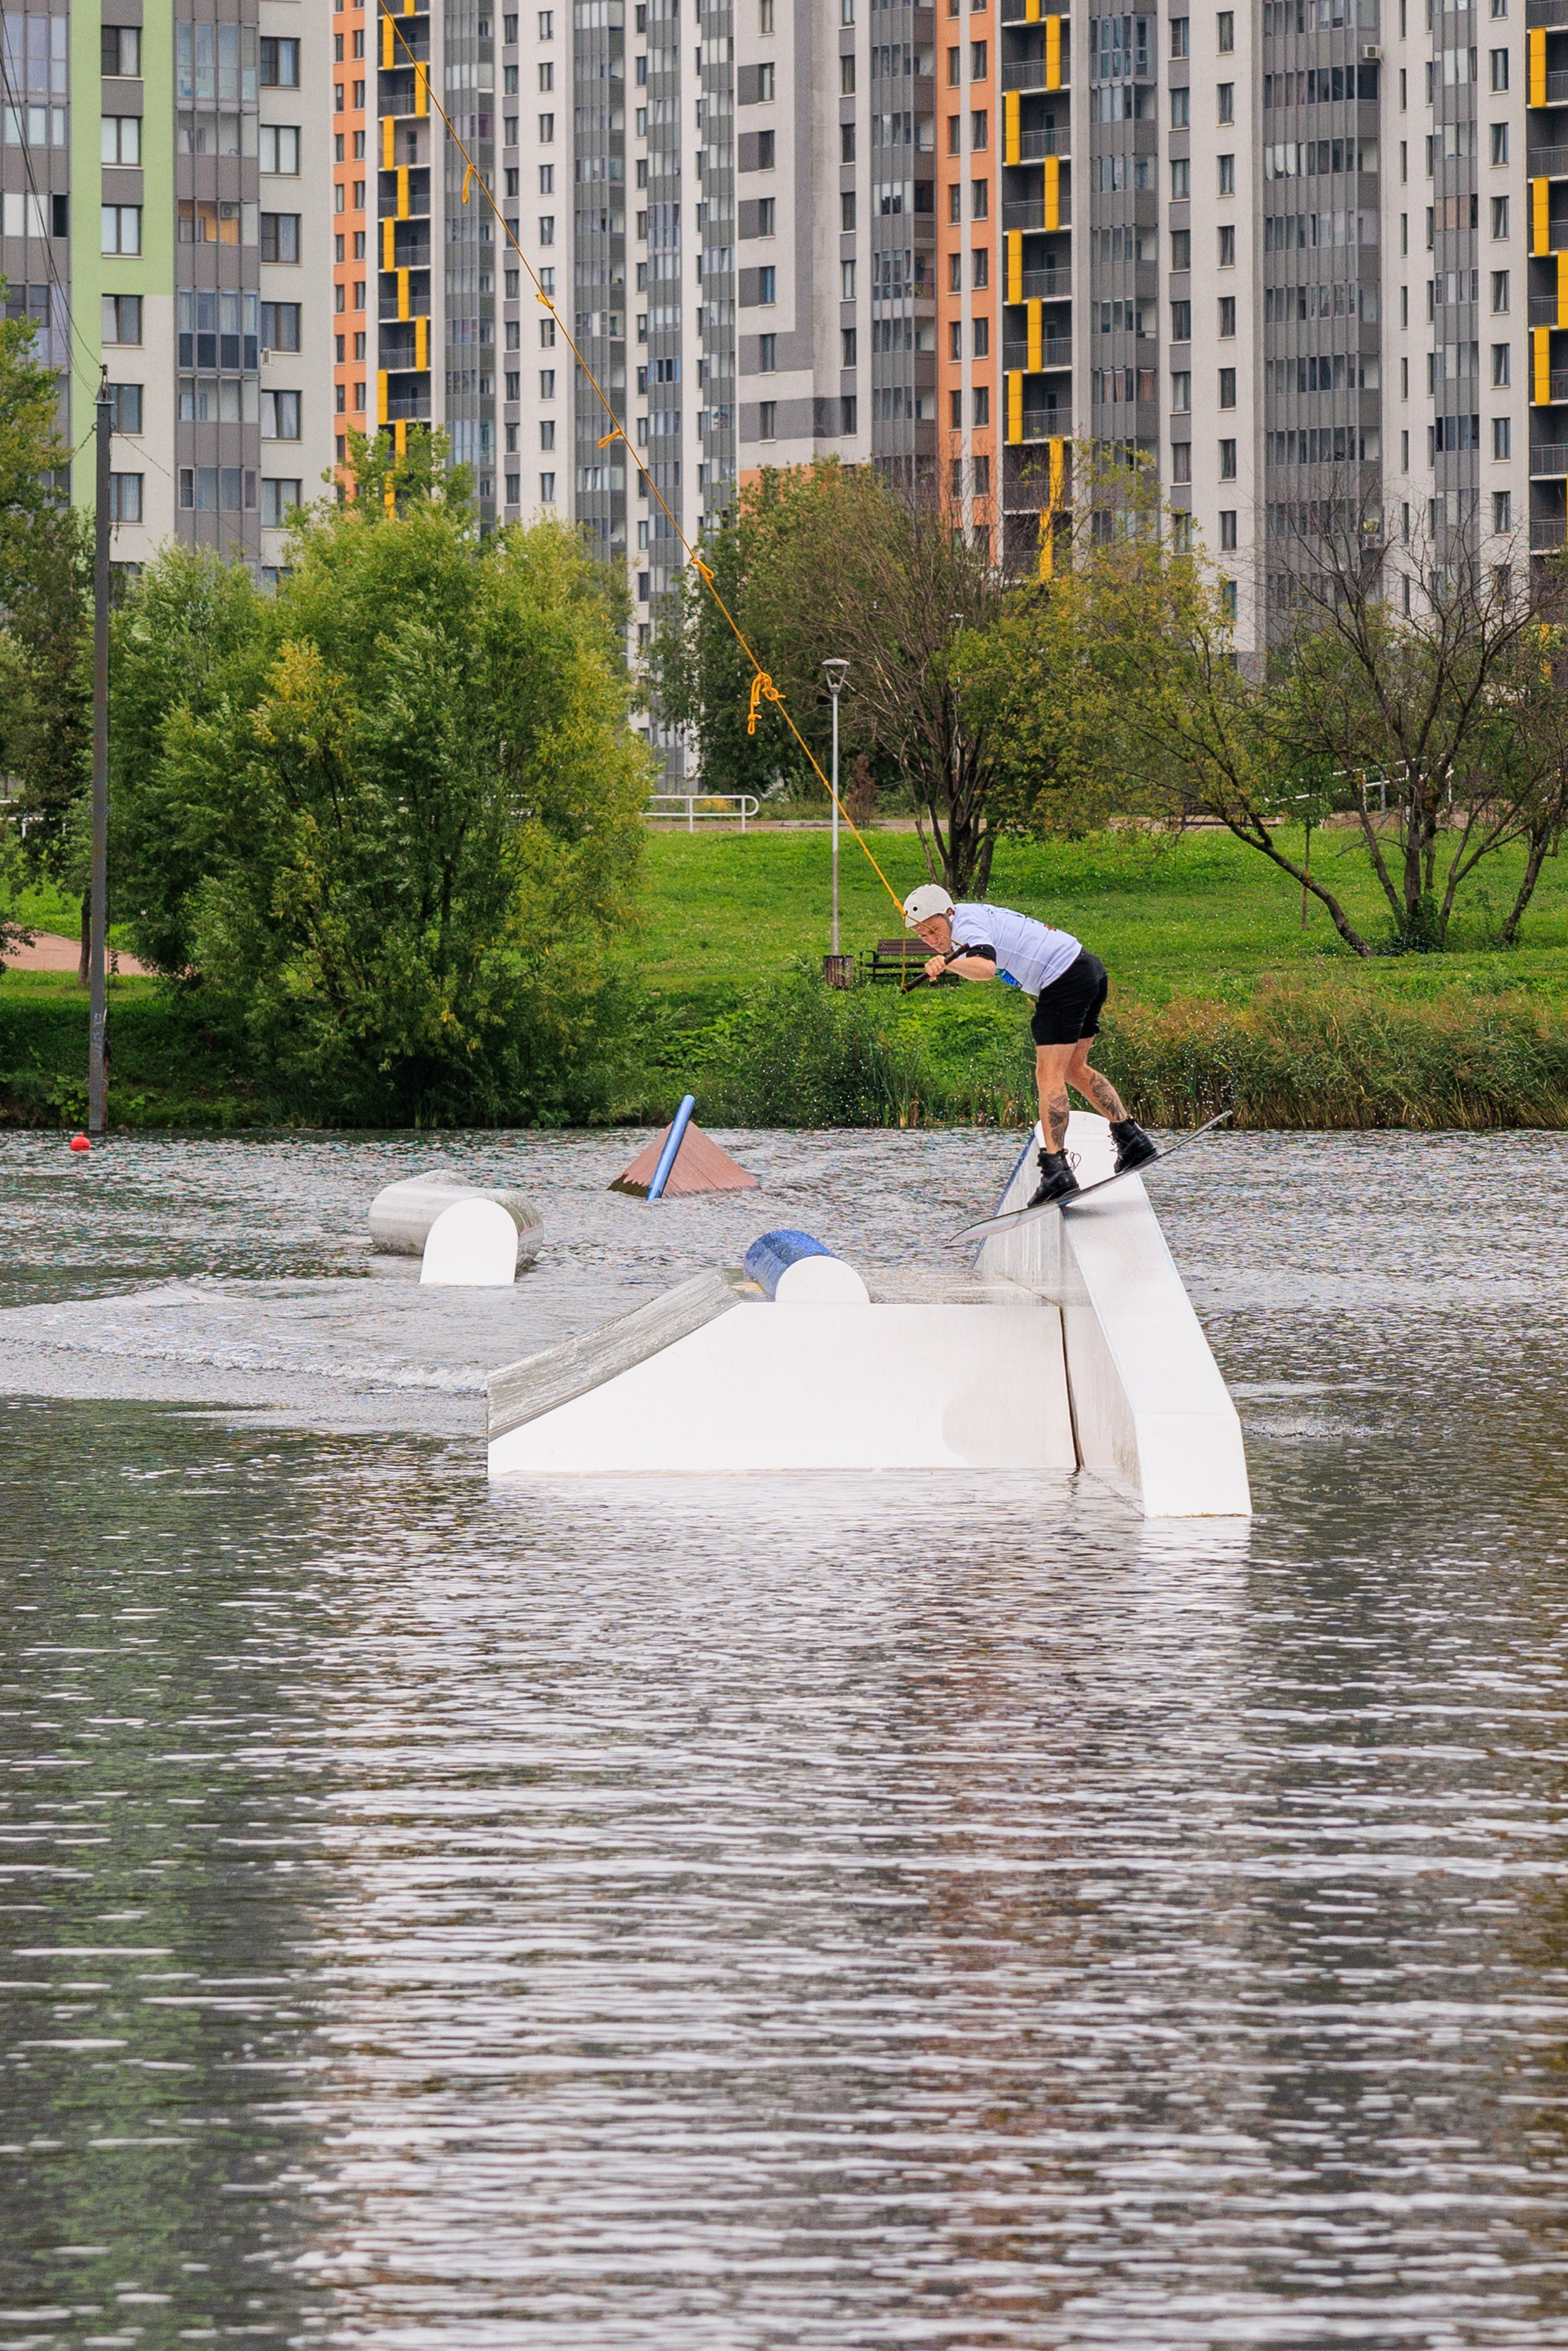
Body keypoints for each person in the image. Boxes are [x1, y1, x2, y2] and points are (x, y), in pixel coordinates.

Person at [902, 882, 1156, 1207]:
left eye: (935, 930)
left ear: (949, 913)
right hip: (1088, 969)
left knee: (1048, 1075)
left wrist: (946, 962)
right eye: (923, 937)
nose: (933, 940)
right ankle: (1132, 1140)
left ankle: (1057, 1172)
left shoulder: (969, 924)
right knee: (1074, 1069)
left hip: (1062, 979)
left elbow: (986, 968)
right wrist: (948, 957)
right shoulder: (968, 916)